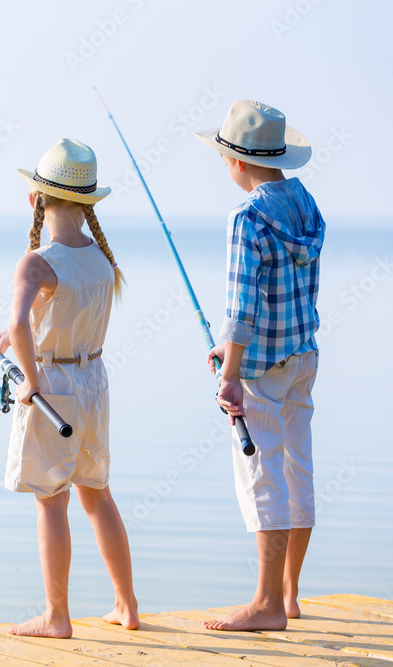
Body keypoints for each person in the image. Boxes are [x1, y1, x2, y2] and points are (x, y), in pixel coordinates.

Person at [0, 138, 138, 638]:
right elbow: (55, 317)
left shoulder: (36, 262)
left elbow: (23, 322)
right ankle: (126, 605)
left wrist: (30, 378)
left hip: (54, 387)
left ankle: (56, 616)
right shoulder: (99, 259)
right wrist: (8, 338)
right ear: (88, 202)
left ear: (36, 200)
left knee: (50, 500)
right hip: (92, 380)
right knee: (98, 496)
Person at [193, 100, 324, 631]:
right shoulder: (304, 204)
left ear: (240, 163)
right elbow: (288, 291)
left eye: (225, 159)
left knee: (262, 474)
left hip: (263, 367)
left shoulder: (246, 218)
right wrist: (233, 350)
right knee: (299, 468)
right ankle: (289, 594)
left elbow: (243, 307)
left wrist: (231, 376)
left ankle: (267, 604)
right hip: (304, 352)